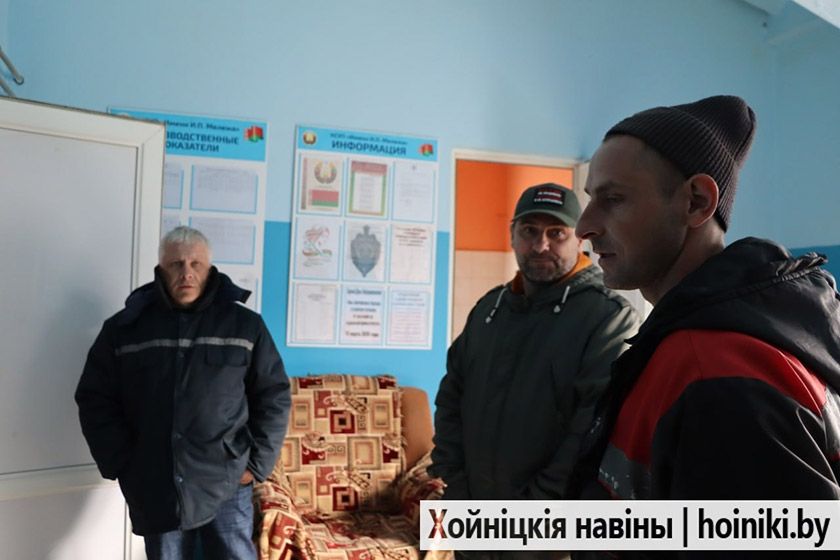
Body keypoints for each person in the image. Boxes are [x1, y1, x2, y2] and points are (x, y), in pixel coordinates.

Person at [568, 95, 840, 557]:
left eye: (613, 200)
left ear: (696, 202)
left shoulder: (715, 373)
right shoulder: (696, 344)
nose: (585, 226)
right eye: (591, 199)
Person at [75, 226, 291, 560]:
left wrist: (255, 465)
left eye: (195, 264)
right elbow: (95, 398)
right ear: (161, 270)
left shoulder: (245, 326)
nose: (186, 272)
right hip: (155, 483)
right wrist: (121, 461)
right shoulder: (124, 329)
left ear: (209, 269)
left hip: (227, 480)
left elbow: (273, 396)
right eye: (176, 264)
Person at [430, 183, 640, 509]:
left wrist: (536, 505)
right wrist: (455, 483)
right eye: (529, 231)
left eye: (557, 233)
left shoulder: (609, 318)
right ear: (512, 235)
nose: (541, 245)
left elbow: (591, 430)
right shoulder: (490, 309)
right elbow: (450, 398)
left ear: (579, 239)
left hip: (549, 518)